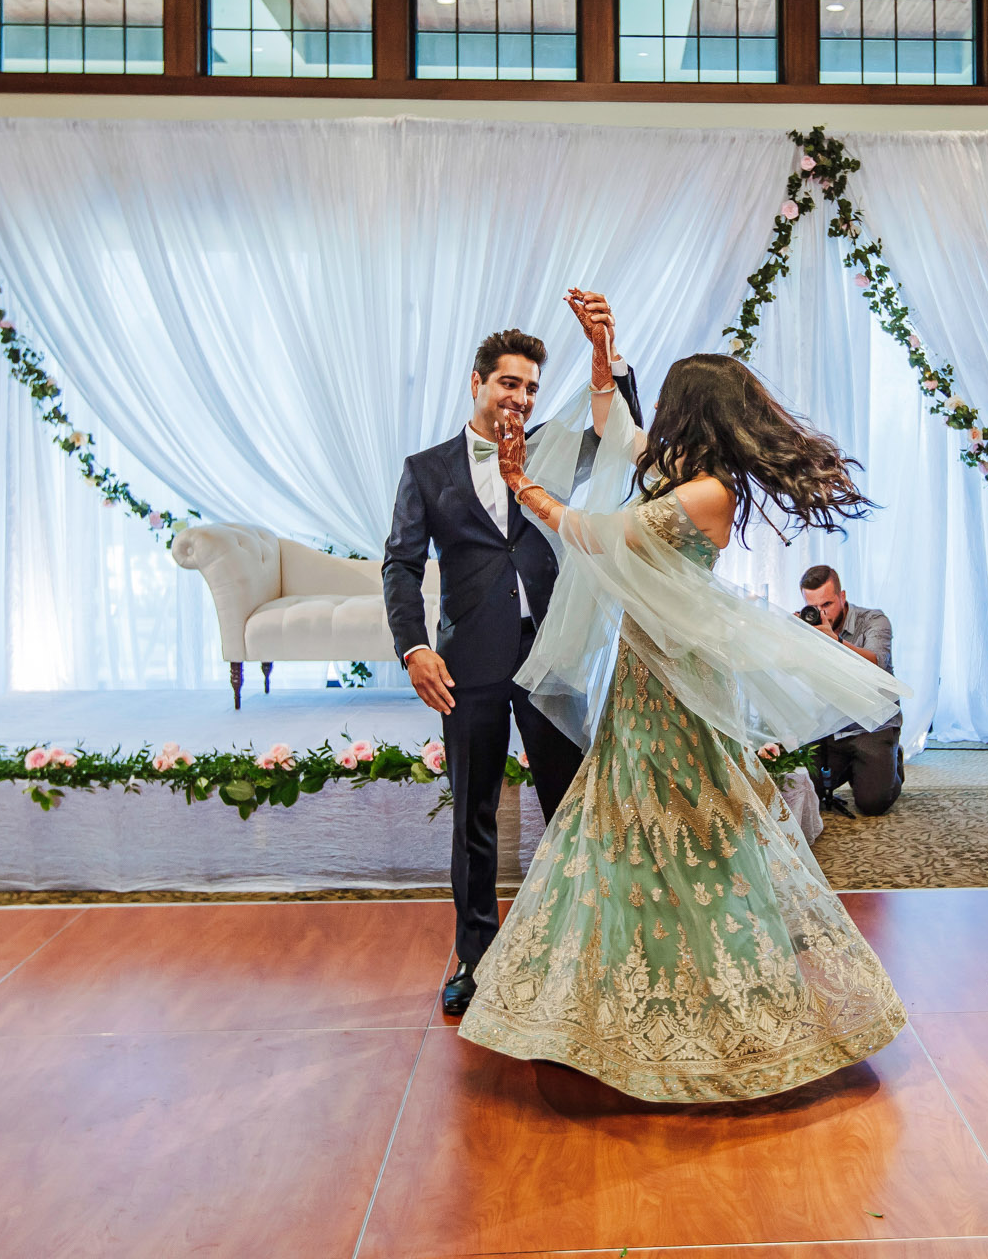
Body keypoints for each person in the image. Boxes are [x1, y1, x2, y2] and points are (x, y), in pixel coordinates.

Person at [456, 350, 911, 1103]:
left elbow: (598, 535)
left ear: (692, 412)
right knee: (625, 824)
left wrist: (520, 486)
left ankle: (727, 1009)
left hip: (677, 682)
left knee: (697, 826)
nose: (658, 417)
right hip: (644, 674)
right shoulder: (679, 473)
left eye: (670, 403)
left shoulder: (704, 494)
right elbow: (620, 428)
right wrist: (603, 357)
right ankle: (618, 1006)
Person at [382, 294, 642, 1019]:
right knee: (474, 816)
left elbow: (620, 433)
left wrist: (607, 360)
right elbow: (400, 566)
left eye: (530, 386)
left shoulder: (558, 447)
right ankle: (475, 954)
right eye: (508, 383)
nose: (520, 397)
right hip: (469, 665)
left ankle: (582, 943)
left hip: (552, 656)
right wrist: (413, 647)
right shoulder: (427, 470)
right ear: (477, 382)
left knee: (571, 806)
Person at [794, 565, 903, 816]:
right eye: (814, 606)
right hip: (830, 725)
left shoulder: (874, 620)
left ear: (842, 596)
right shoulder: (807, 626)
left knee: (872, 803)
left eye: (828, 604)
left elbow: (876, 663)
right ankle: (859, 768)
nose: (822, 613)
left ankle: (891, 760)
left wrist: (836, 641)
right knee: (808, 791)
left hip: (872, 725)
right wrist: (792, 637)